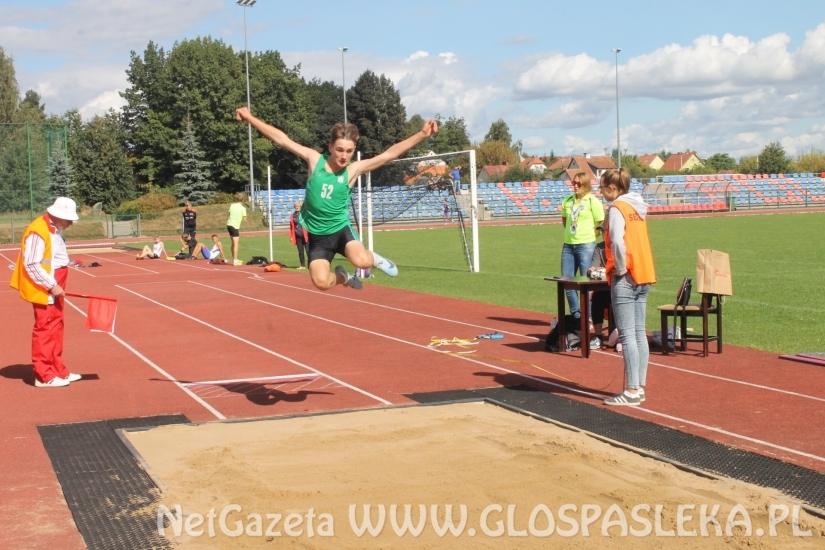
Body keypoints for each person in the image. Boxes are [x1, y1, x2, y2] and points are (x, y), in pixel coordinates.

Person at [235, 106, 437, 292]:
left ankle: (374, 259)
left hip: (340, 230)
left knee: (363, 262)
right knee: (321, 283)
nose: (344, 156)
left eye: (349, 151)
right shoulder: (315, 160)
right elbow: (282, 139)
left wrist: (421, 134)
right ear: (330, 147)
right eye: (340, 149)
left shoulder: (352, 170)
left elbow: (387, 155)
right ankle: (344, 277)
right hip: (317, 236)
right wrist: (250, 118)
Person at [9, 197, 83, 387]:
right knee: (45, 328)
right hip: (46, 286)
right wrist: (51, 285)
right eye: (68, 219)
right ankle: (44, 375)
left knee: (56, 327)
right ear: (57, 215)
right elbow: (31, 264)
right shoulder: (38, 231)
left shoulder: (54, 229)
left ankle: (58, 369)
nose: (71, 223)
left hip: (55, 282)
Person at [600, 168, 656, 407]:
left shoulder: (617, 208)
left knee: (627, 335)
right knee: (639, 332)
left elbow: (616, 241)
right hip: (644, 272)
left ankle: (632, 390)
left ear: (612, 188)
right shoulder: (637, 207)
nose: (600, 192)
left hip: (627, 274)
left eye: (602, 188)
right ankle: (639, 386)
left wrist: (620, 269)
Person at [560, 171, 604, 320]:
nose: (575, 186)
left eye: (579, 183)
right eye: (574, 183)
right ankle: (576, 315)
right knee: (567, 282)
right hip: (568, 246)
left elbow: (601, 223)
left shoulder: (593, 201)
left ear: (586, 185)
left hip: (586, 246)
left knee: (587, 283)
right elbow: (565, 221)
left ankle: (589, 315)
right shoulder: (567, 200)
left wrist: (591, 236)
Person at [586, 226, 610, 349]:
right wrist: (592, 270)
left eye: (605, 231)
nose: (602, 234)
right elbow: (593, 267)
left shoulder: (620, 247)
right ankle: (598, 336)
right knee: (597, 298)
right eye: (601, 232)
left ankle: (619, 336)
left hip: (620, 287)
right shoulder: (599, 248)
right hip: (604, 287)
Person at [227, 192, 247, 266]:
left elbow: (229, 214)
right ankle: (235, 260)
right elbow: (244, 219)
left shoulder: (232, 205)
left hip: (229, 225)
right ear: (243, 200)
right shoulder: (243, 208)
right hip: (235, 226)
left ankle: (235, 258)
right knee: (236, 244)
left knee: (233, 243)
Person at [289, 200, 309, 270]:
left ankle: (310, 265)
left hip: (306, 235)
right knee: (300, 251)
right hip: (298, 235)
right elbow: (291, 227)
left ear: (301, 207)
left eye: (298, 206)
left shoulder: (305, 214)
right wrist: (291, 236)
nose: (297, 207)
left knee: (308, 251)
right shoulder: (293, 215)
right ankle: (302, 265)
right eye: (296, 206)